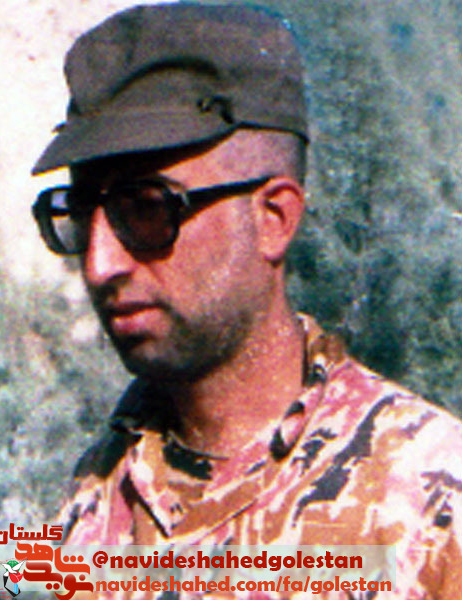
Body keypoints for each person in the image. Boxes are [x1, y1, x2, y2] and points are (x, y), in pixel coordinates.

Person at [31, 3, 462, 598]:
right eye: (81, 214)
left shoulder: (428, 504)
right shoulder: (87, 497)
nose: (100, 264)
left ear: (273, 218)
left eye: (148, 209)